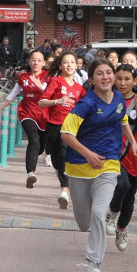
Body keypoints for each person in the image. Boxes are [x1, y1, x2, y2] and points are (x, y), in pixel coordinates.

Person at [60, 57, 137, 272]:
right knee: (85, 222)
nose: (106, 77)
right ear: (92, 79)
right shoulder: (85, 104)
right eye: (100, 74)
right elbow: (66, 133)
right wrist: (87, 154)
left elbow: (122, 118)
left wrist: (133, 143)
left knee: (98, 213)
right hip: (78, 168)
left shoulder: (118, 98)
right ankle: (92, 251)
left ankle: (93, 266)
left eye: (109, 73)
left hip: (108, 165)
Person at [105, 64, 137, 252]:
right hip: (112, 153)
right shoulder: (108, 98)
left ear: (135, 81)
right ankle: (111, 212)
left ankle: (121, 229)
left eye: (127, 79)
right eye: (118, 78)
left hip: (136, 156)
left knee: (129, 198)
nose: (122, 82)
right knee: (122, 185)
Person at [39, 51, 86, 209]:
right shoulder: (56, 81)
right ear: (60, 65)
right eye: (65, 62)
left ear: (77, 65)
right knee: (55, 159)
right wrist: (58, 101)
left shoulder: (80, 88)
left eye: (72, 62)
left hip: (70, 128)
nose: (69, 65)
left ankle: (65, 191)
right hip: (54, 125)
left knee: (65, 155)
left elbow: (85, 108)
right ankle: (64, 181)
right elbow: (42, 102)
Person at [4, 50, 49, 189]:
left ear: (44, 63)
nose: (36, 63)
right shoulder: (23, 77)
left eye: (39, 60)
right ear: (29, 61)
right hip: (26, 113)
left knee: (41, 145)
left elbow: (48, 92)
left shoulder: (48, 77)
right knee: (33, 140)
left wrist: (39, 84)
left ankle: (36, 154)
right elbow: (16, 89)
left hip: (43, 114)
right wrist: (8, 100)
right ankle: (30, 173)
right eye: (33, 60)